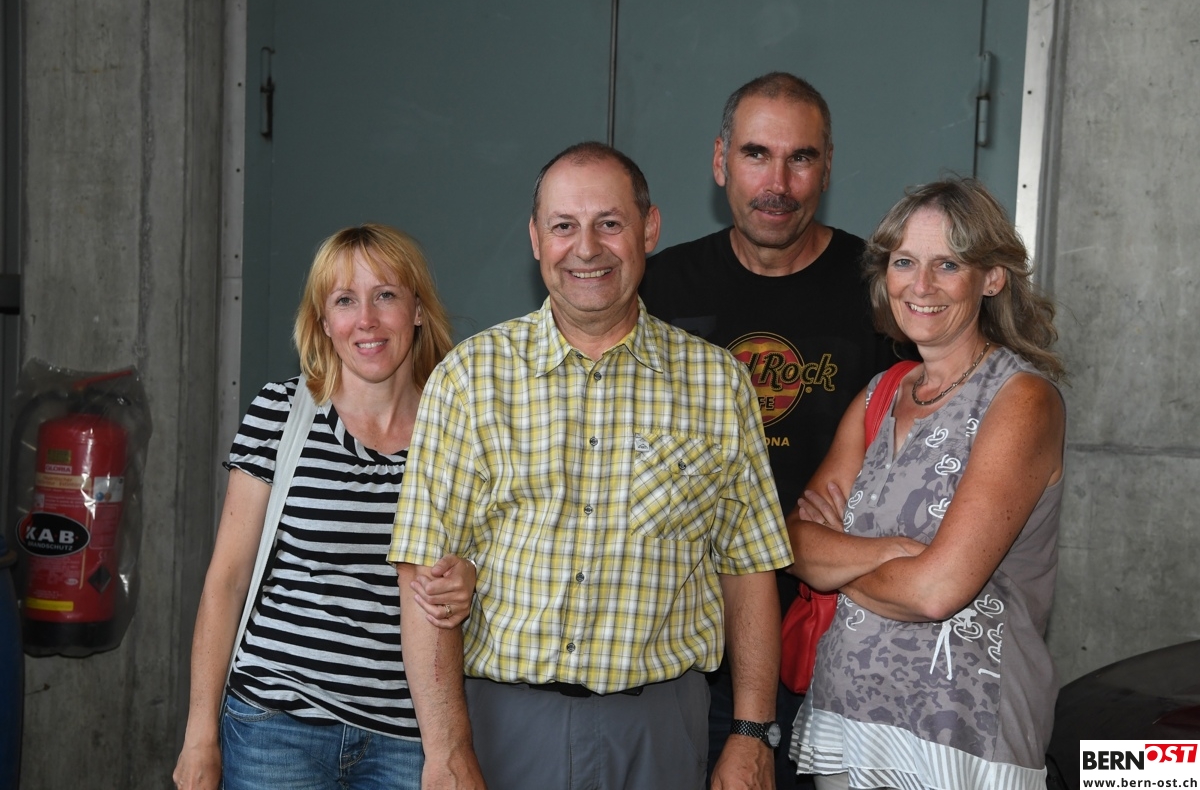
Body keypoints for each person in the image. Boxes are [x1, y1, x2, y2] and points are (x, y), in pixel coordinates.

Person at [388, 142, 794, 790]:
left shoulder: (718, 383)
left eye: (609, 223)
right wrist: (446, 750)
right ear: (535, 239)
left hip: (662, 731)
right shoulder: (469, 378)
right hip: (504, 728)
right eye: (563, 226)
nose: (586, 248)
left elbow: (748, 570)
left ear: (649, 229)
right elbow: (423, 576)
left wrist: (752, 732)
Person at [639, 71, 898, 784]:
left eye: (800, 158)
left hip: (836, 647)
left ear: (828, 166)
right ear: (721, 160)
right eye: (757, 154)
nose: (777, 183)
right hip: (687, 653)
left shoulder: (884, 294)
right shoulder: (659, 290)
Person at [786, 178, 1066, 790]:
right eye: (904, 262)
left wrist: (840, 562)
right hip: (847, 718)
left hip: (960, 734)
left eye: (948, 264)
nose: (921, 285)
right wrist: (892, 553)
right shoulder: (880, 395)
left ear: (992, 278)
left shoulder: (1021, 400)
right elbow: (794, 542)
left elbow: (937, 591)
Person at [173, 224, 475, 790]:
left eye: (385, 295)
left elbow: (495, 557)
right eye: (344, 300)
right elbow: (227, 581)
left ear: (416, 310)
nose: (366, 319)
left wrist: (472, 578)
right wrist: (199, 736)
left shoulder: (456, 430)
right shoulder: (280, 413)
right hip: (274, 729)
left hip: (407, 740)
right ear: (323, 321)